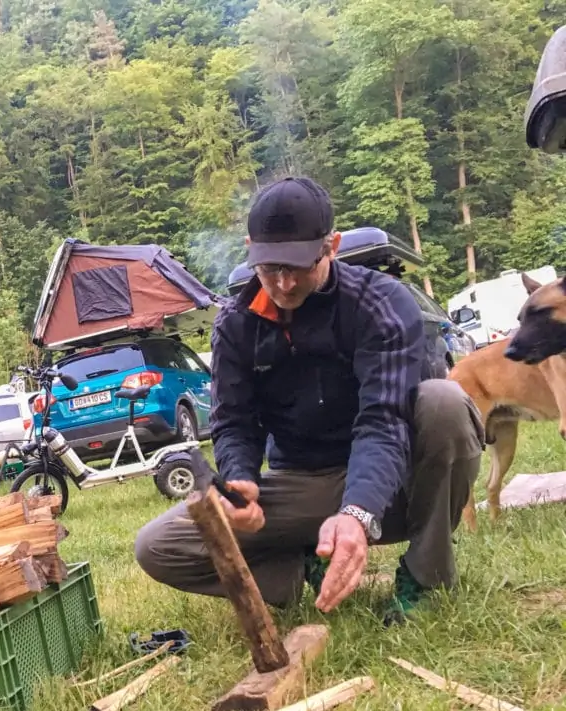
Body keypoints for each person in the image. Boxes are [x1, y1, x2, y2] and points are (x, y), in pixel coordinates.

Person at [134, 176, 485, 625]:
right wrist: (240, 481)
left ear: (331, 246)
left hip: (394, 478)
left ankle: (426, 575)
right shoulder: (236, 325)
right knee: (158, 546)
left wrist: (357, 513)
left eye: (299, 266)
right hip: (304, 482)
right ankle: (298, 564)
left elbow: (383, 419)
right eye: (269, 268)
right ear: (250, 249)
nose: (283, 284)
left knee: (444, 402)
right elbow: (235, 422)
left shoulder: (379, 303)